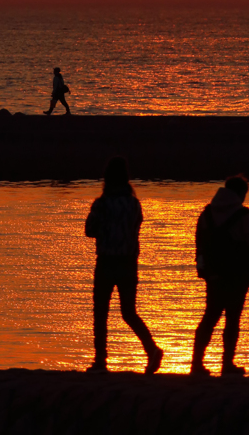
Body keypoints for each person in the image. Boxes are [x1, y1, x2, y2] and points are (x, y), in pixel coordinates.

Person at [84, 156, 163, 374]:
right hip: (129, 262)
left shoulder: (102, 204)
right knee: (129, 312)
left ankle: (101, 361)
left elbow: (89, 230)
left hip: (107, 261)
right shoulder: (133, 203)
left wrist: (106, 231)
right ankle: (152, 349)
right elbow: (137, 226)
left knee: (101, 312)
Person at [190, 175, 249, 377]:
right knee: (232, 319)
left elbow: (199, 245)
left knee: (210, 316)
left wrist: (203, 268)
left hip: (213, 274)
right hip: (237, 274)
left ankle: (196, 364)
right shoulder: (243, 215)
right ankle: (227, 365)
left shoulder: (206, 214)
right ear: (241, 194)